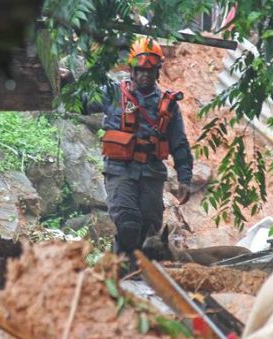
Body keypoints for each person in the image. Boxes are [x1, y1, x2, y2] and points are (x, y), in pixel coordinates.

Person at [82, 37, 193, 261]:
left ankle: (143, 275)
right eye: (141, 70)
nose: (145, 75)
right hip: (120, 170)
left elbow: (179, 143)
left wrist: (185, 178)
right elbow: (82, 102)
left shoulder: (167, 104)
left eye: (150, 71)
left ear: (157, 72)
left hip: (151, 174)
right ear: (132, 69)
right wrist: (67, 81)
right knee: (128, 222)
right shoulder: (114, 93)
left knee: (149, 229)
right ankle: (120, 268)